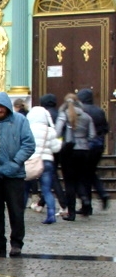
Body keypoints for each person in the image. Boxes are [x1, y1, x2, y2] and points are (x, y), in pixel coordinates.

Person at [0, 92, 35, 257]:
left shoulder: (20, 120)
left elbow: (28, 144)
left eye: (1, 107)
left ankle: (16, 243)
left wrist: (15, 163)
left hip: (15, 174)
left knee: (16, 211)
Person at [55, 93, 96, 221]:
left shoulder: (64, 114)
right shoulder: (86, 116)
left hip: (69, 150)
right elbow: (92, 135)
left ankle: (71, 213)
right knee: (81, 178)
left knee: (69, 182)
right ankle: (85, 198)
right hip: (84, 150)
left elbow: (57, 131)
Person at [26, 105, 61, 224]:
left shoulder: (27, 128)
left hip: (30, 162)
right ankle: (51, 213)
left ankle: (18, 213)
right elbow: (56, 148)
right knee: (46, 190)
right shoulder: (49, 130)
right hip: (46, 161)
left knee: (24, 189)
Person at [76, 88, 110, 210]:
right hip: (99, 146)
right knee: (90, 173)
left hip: (85, 146)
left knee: (82, 175)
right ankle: (102, 193)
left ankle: (86, 203)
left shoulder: (81, 111)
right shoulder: (99, 110)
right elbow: (106, 128)